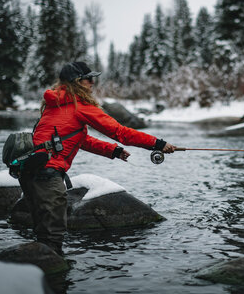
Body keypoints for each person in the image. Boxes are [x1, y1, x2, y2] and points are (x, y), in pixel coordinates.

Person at [19, 61, 176, 255]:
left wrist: (113, 151)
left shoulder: (56, 103)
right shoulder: (79, 105)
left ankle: (39, 274)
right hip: (48, 177)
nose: (93, 83)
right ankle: (52, 280)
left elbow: (79, 140)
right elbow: (121, 132)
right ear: (77, 82)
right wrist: (157, 144)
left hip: (29, 174)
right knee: (52, 240)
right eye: (89, 79)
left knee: (43, 235)